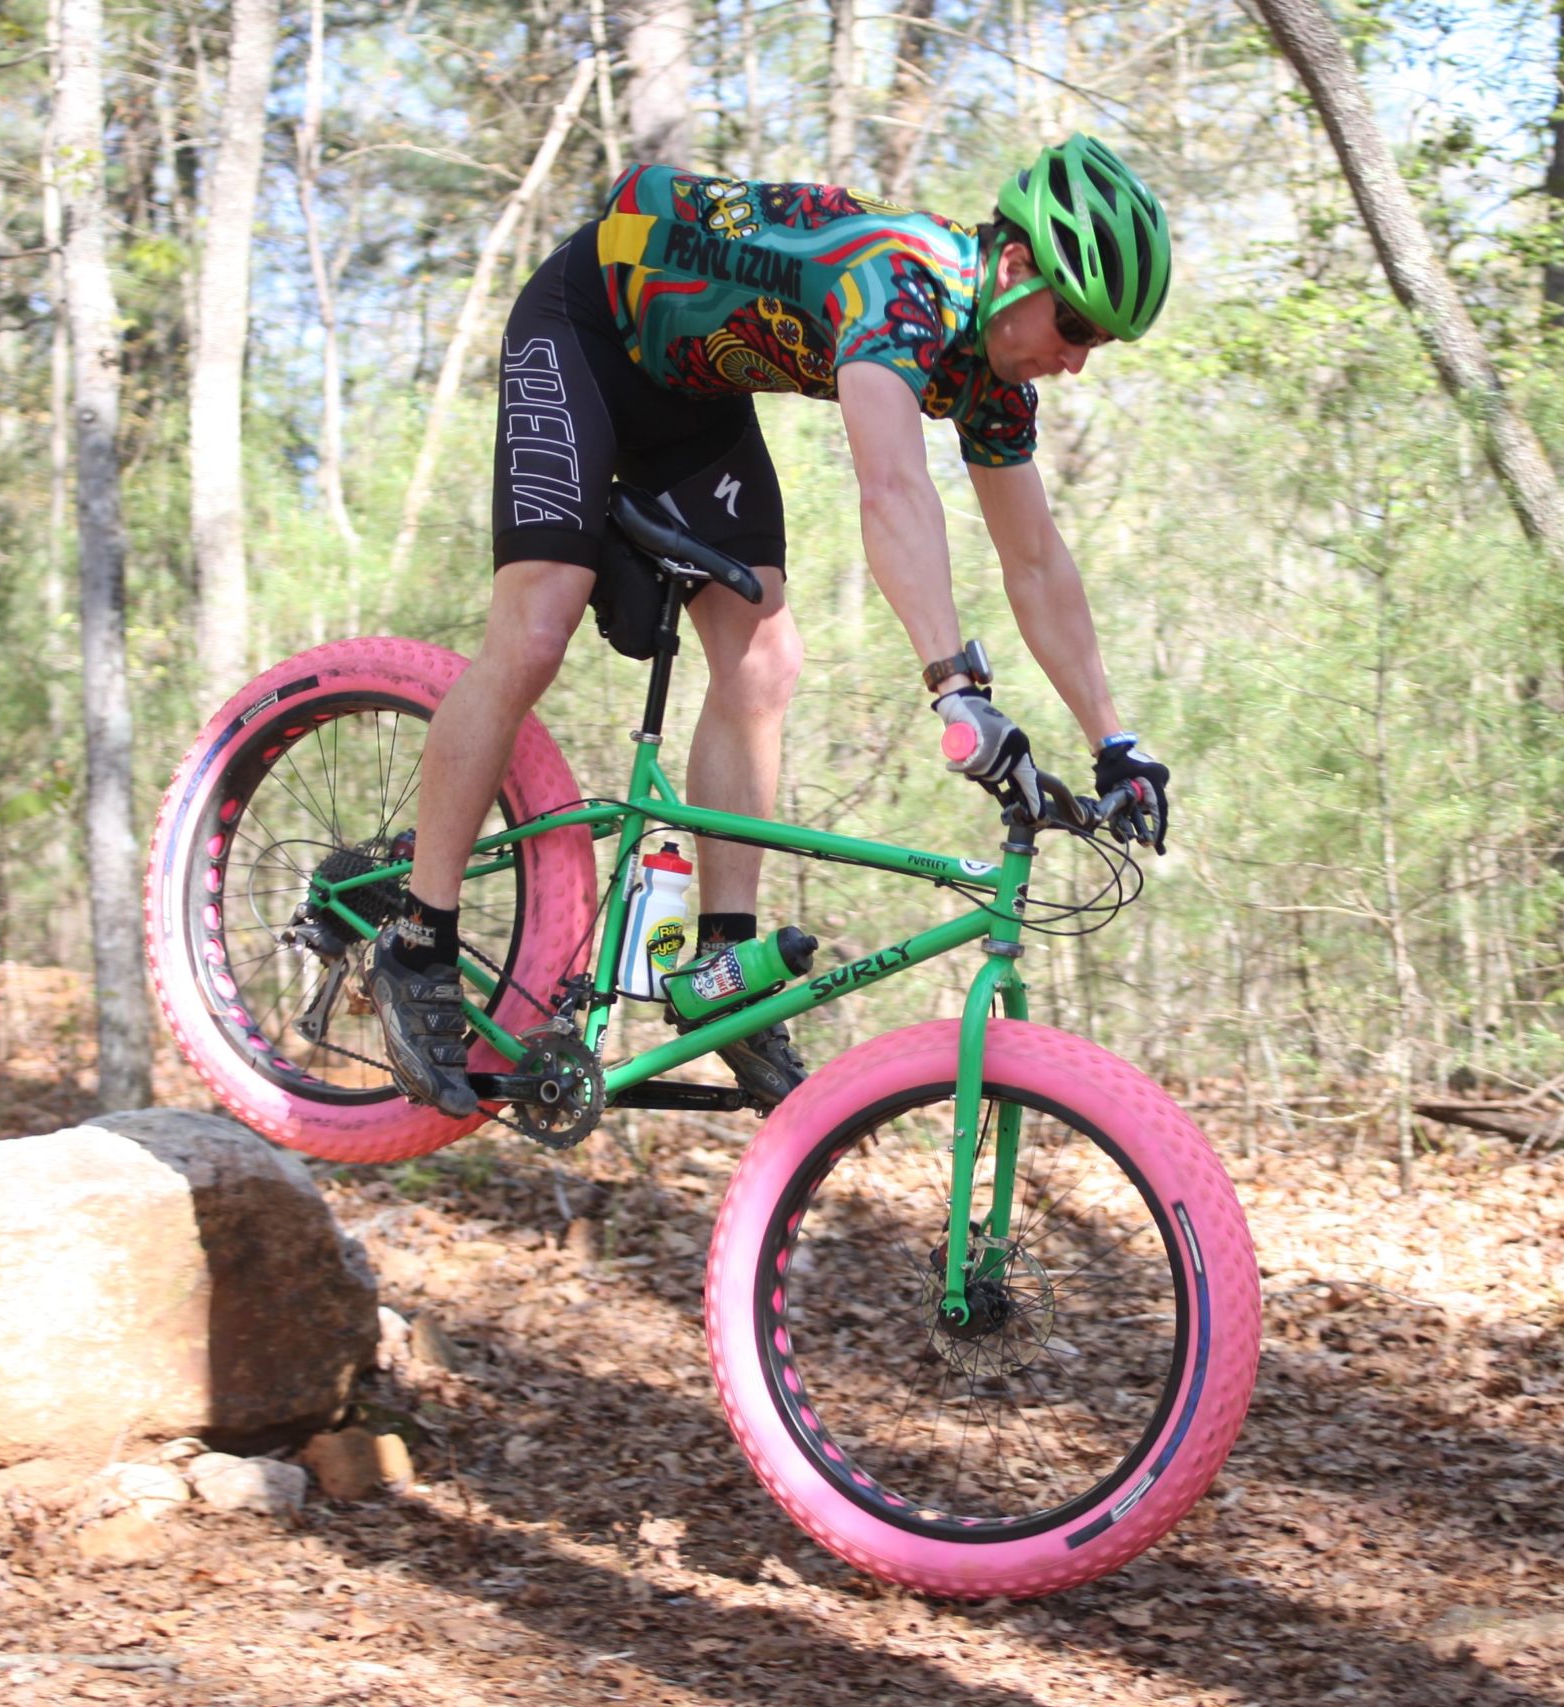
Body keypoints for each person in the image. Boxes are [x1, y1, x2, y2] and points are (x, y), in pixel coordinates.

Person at [370, 133, 1179, 1118]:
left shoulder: (994, 380)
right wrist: (955, 687)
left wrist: (1114, 744)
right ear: (1016, 266)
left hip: (692, 394)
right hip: (587, 326)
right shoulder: (902, 278)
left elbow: (1038, 563)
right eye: (1078, 323)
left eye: (1100, 343)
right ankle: (417, 939)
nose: (1080, 361)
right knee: (537, 626)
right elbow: (891, 490)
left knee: (764, 657)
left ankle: (721, 970)